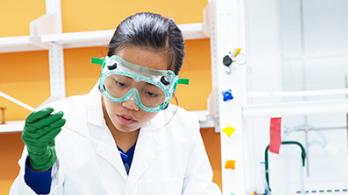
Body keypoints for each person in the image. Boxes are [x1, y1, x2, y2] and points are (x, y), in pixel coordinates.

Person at [10, 12, 221, 195]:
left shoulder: (182, 128)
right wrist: (39, 169)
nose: (130, 103)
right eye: (120, 83)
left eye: (150, 92)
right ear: (104, 71)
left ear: (169, 92)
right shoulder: (58, 123)